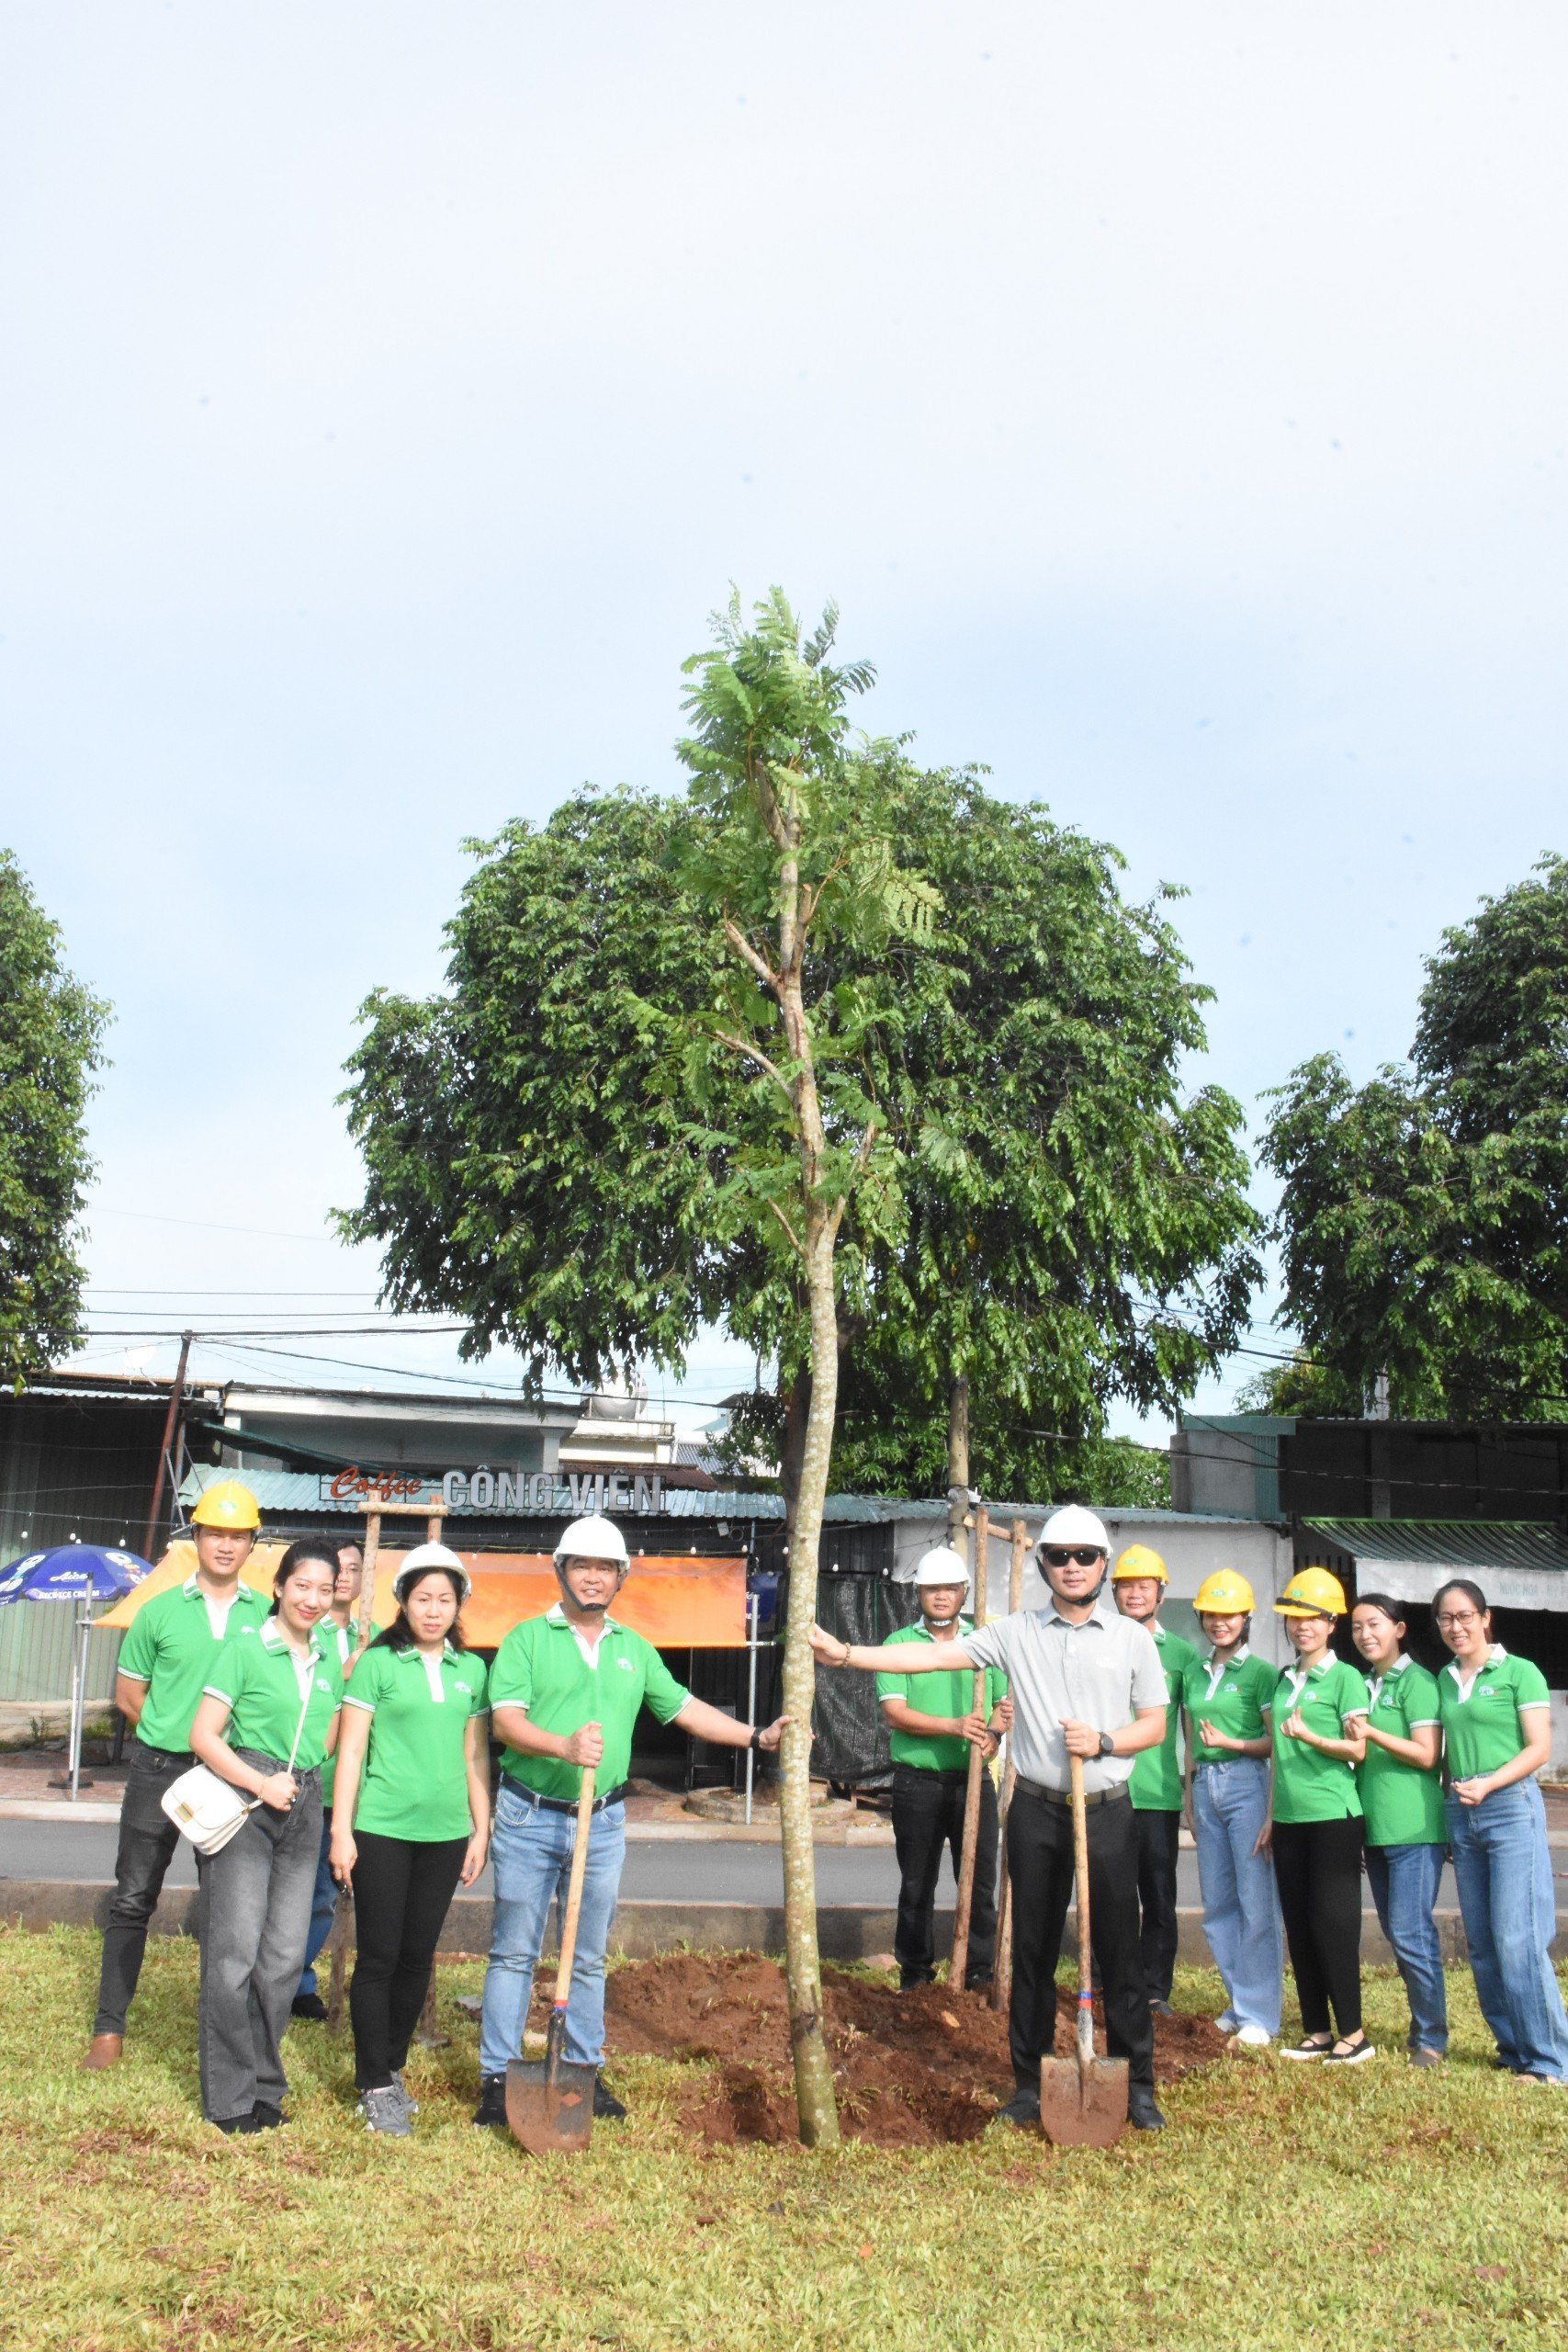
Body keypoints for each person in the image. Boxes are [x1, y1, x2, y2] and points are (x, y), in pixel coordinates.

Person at [812, 1503, 1170, 2132]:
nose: (1072, 1567)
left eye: (1084, 1557)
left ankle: (1136, 2085)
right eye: (1059, 1557)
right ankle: (1029, 2085)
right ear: (1042, 1565)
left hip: (1108, 1810)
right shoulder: (1014, 1632)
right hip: (1035, 1810)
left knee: (1118, 1950)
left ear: (1102, 1565)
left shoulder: (1131, 1638)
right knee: (1030, 1949)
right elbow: (927, 1660)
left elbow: (1154, 1723)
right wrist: (846, 1655)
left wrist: (1106, 1743)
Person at [474, 1513, 791, 2127]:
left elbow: (686, 1710)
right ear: (560, 1570)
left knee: (589, 1955)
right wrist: (561, 1747)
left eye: (605, 1568)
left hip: (602, 1819)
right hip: (530, 1814)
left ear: (620, 1577)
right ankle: (496, 2077)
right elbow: (504, 1721)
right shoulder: (524, 1640)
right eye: (582, 1565)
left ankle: (583, 2072)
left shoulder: (632, 1649)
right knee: (513, 1951)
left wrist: (756, 1735)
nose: (593, 1578)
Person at [82, 1479, 269, 2073]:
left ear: (251, 1545)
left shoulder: (267, 1615)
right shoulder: (157, 1610)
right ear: (196, 1538)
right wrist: (172, 1735)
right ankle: (108, 2030)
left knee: (227, 1912)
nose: (225, 1545)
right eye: (215, 1533)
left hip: (235, 1776)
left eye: (238, 1536)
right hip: (160, 1770)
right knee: (134, 1897)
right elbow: (128, 1694)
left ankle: (219, 2035)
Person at [330, 1544, 491, 2134]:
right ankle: (372, 2081)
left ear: (458, 1605)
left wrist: (482, 1830)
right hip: (382, 1827)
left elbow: (475, 1754)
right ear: (402, 1601)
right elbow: (350, 1751)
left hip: (447, 1833)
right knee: (380, 1955)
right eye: (422, 1598)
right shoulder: (377, 1663)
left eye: (444, 1600)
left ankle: (390, 2069)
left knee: (419, 1956)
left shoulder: (472, 1671)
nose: (433, 1610)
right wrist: (341, 1831)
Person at [187, 1539, 345, 2132]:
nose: (312, 1598)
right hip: (247, 1798)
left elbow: (326, 1739)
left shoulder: (329, 1653)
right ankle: (228, 2099)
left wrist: (301, 1788)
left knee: (281, 1957)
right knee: (233, 1955)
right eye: (301, 1585)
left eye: (324, 1589)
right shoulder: (245, 1647)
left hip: (303, 1804)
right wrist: (261, 1781)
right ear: (278, 1587)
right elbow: (203, 1735)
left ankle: (264, 2088)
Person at [1432, 1577, 1568, 2086]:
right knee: (1484, 1942)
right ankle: (1512, 2048)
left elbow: (1538, 1751)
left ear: (1486, 1618)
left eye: (1465, 1616)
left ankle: (1550, 2060)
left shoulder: (1519, 1672)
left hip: (1510, 1807)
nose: (1455, 1626)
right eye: (1446, 1618)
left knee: (1519, 1938)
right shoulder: (1444, 1678)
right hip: (1461, 1812)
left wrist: (1488, 1784)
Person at [874, 1544, 1010, 1991]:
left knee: (978, 1882)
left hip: (975, 1780)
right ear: (919, 1593)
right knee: (917, 1883)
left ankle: (976, 1972)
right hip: (918, 1784)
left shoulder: (985, 1643)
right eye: (931, 1589)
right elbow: (895, 1712)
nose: (940, 1597)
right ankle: (915, 1974)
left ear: (963, 1593)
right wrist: (953, 1726)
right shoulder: (899, 1645)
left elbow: (1001, 1707)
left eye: (949, 1589)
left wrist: (992, 1735)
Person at [1268, 1568, 1372, 2065]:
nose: (1301, 1626)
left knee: (1334, 1922)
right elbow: (1276, 1758)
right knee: (1300, 1922)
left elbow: (1359, 1747)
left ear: (1332, 1623)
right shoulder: (1284, 1678)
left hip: (1333, 1814)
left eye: (1312, 1618)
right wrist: (1271, 1815)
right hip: (1290, 1818)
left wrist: (1312, 1738)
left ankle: (1353, 2035)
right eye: (1294, 1617)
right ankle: (1316, 2031)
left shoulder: (1346, 1677)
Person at [1181, 1570, 1283, 2048]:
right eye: (1212, 1614)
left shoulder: (1262, 1673)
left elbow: (1273, 1745)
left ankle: (1260, 2014)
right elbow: (1188, 1738)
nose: (1220, 1623)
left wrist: (1231, 1744)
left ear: (1246, 1619)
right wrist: (1188, 1792)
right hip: (1205, 1786)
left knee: (1255, 1903)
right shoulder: (1196, 1672)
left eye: (1229, 1615)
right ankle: (1239, 2002)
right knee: (1217, 1903)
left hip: (1246, 1784)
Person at [1348, 1592, 1448, 2066]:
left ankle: (1431, 2038)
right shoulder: (1365, 1682)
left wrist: (1371, 1733)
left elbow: (1428, 1754)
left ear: (1399, 1630)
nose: (1366, 1635)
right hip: (1377, 1829)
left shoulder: (1417, 1682)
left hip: (1414, 1828)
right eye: (1357, 1628)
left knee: (1411, 1932)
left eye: (1375, 1625)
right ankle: (1421, 2024)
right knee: (1396, 1930)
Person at [1111, 1544, 1196, 2017]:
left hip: (1158, 1794)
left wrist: (1189, 1793)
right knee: (1110, 1894)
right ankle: (1110, 1980)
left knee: (1159, 1896)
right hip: (1105, 1790)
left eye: (1145, 1586)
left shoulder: (1180, 1654)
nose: (1135, 1594)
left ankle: (1155, 1987)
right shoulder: (1097, 1640)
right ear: (1114, 1591)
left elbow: (1187, 1727)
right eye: (1126, 1585)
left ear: (1161, 1594)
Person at [293, 1532, 367, 2019]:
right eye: (337, 1566)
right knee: (287, 1887)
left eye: (355, 1567)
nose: (344, 1576)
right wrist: (349, 1667)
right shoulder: (301, 1628)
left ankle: (299, 1983)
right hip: (300, 1777)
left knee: (324, 1891)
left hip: (347, 1787)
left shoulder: (375, 1633)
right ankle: (273, 1977)